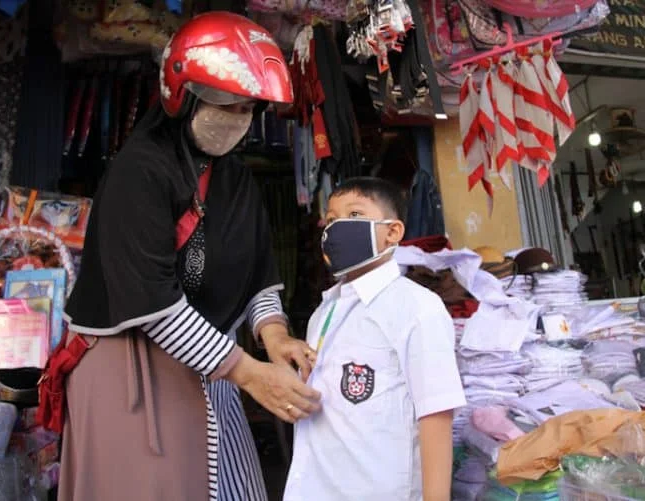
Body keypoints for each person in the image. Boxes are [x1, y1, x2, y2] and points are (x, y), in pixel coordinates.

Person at [56, 13, 321, 501]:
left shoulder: (236, 180)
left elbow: (258, 275)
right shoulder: (140, 171)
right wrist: (247, 371)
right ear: (183, 96)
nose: (237, 117)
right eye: (225, 103)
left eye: (248, 108)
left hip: (214, 365)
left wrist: (275, 335)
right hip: (131, 371)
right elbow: (152, 301)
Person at [283, 177, 467, 501]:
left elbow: (436, 415)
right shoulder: (322, 314)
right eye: (331, 219)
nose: (336, 228)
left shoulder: (417, 308)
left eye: (354, 215)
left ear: (392, 233)